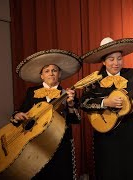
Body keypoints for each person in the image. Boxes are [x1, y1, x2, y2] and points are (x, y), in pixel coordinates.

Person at [80, 37, 133, 180]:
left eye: (119, 58)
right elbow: (84, 103)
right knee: (108, 170)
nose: (116, 63)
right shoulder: (94, 79)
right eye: (111, 59)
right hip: (105, 133)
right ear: (103, 61)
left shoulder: (132, 74)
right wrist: (106, 102)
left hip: (130, 131)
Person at [10, 49, 82, 179]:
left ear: (59, 74)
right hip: (36, 144)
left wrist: (71, 104)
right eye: (47, 71)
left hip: (61, 143)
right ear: (41, 76)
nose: (51, 73)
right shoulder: (32, 92)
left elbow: (76, 120)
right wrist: (17, 116)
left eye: (54, 70)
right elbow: (21, 112)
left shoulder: (67, 93)